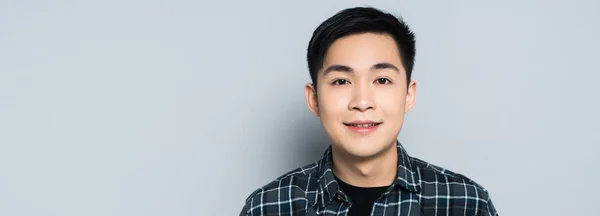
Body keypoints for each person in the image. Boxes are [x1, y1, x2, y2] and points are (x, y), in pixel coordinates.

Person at [239, 6, 498, 216]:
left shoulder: (465, 204)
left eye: (382, 80)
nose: (362, 102)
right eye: (341, 81)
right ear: (314, 99)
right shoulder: (267, 207)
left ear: (409, 95)